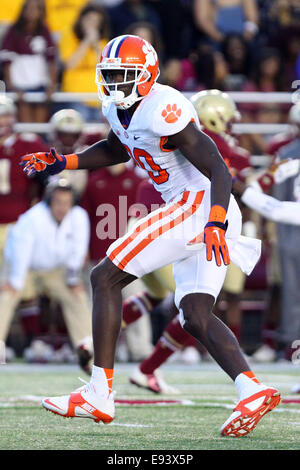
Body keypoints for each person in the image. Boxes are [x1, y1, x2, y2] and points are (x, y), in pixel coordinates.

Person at [21, 34, 280, 437]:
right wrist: (64, 161)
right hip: (195, 207)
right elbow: (118, 147)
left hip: (198, 203)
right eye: (109, 76)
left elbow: (217, 168)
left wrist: (214, 221)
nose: (114, 85)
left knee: (104, 276)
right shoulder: (117, 106)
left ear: (146, 76)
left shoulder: (165, 107)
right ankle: (252, 389)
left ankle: (99, 393)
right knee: (194, 314)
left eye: (123, 76)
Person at [0, 180, 92, 369]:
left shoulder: (79, 216)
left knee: (78, 297)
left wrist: (73, 279)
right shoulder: (32, 219)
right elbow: (21, 254)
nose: (62, 207)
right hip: (25, 268)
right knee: (6, 295)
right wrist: (15, 282)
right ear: (49, 201)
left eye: (67, 202)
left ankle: (88, 351)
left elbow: (78, 250)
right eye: (58, 202)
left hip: (56, 270)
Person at [0, 0, 58, 123]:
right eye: (28, 8)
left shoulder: (44, 31)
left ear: (41, 11)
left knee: (39, 124)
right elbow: (6, 62)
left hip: (40, 83)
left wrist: (52, 85)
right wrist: (12, 87)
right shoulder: (13, 31)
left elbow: (51, 60)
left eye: (35, 8)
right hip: (20, 84)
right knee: (25, 122)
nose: (31, 12)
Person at [58, 2, 110, 122]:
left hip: (99, 99)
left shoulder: (102, 41)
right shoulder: (69, 35)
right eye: (89, 19)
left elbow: (104, 67)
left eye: (96, 21)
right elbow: (70, 64)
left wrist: (95, 44)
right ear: (81, 19)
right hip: (76, 97)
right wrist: (87, 41)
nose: (92, 24)